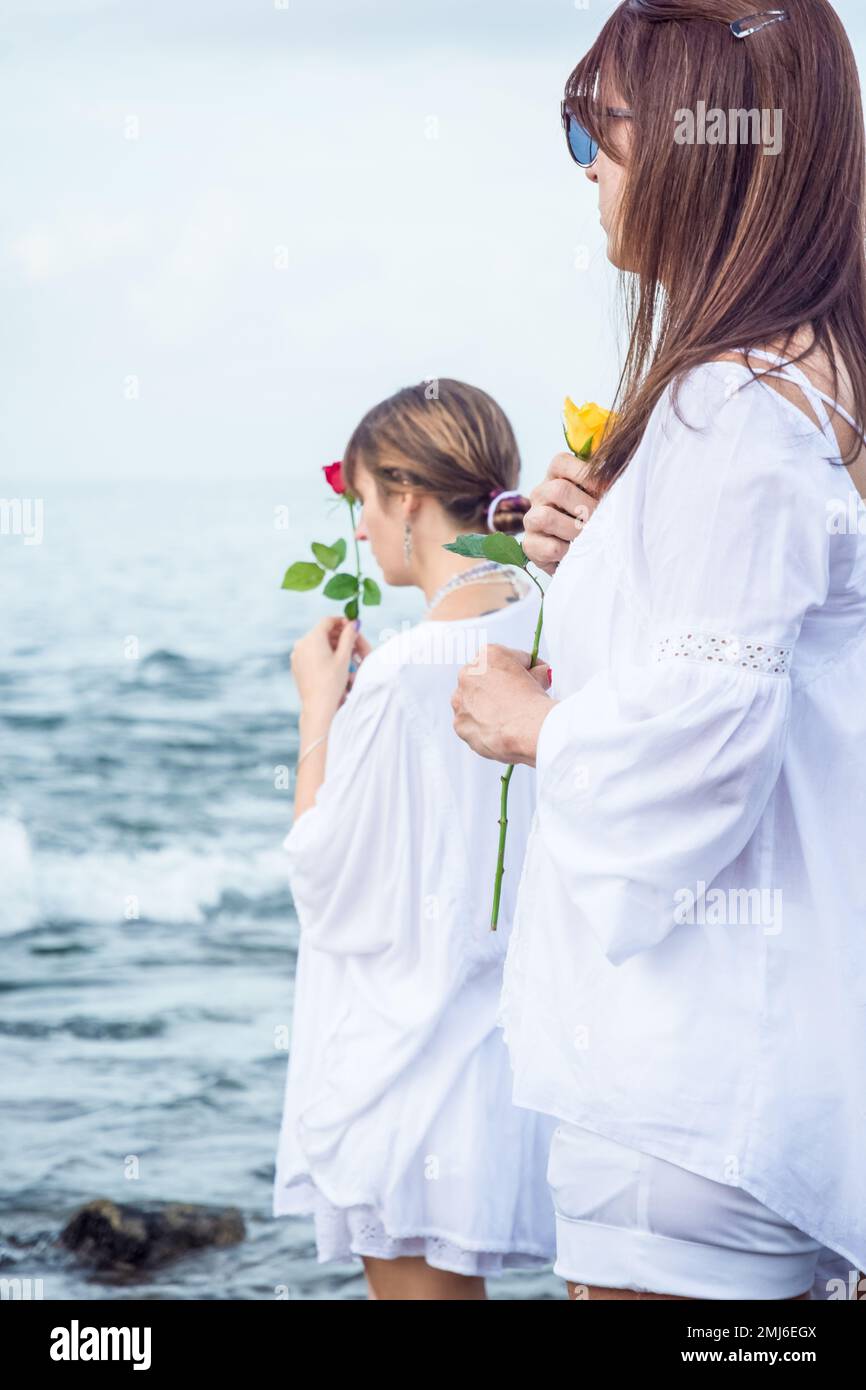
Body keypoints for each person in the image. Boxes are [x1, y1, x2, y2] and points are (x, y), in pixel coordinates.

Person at [452, 0, 866, 1301]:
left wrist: (529, 723)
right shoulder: (814, 390)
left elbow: (698, 747)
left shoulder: (726, 410)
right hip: (781, 1070)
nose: (581, 161)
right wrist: (601, 553)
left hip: (688, 1092)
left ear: (705, 139)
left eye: (597, 126)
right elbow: (780, 684)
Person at [272, 379, 557, 1300]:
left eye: (360, 502)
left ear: (407, 500)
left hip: (415, 1059)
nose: (358, 531)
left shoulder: (398, 677)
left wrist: (319, 706)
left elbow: (323, 870)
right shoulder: (558, 629)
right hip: (528, 1047)